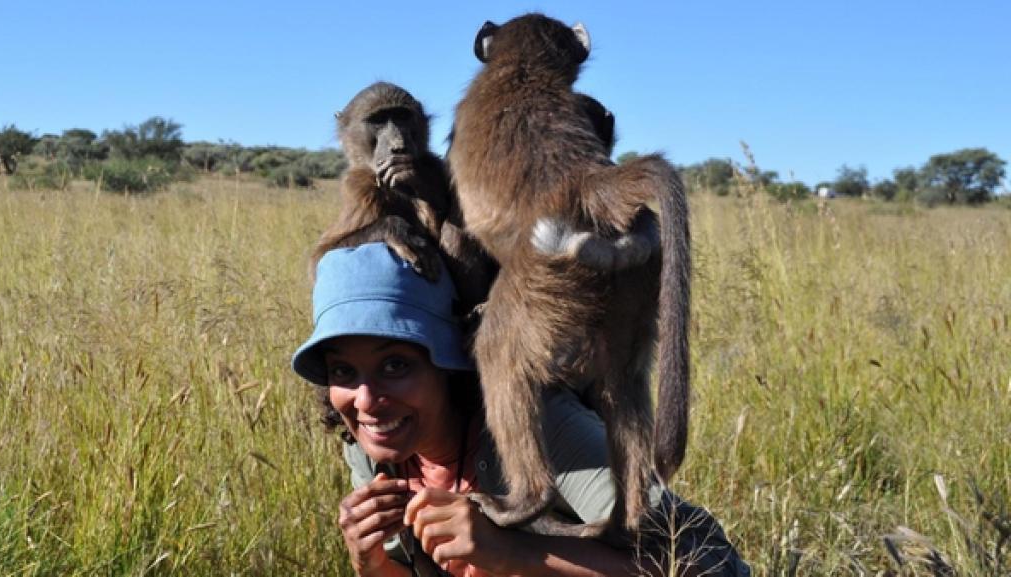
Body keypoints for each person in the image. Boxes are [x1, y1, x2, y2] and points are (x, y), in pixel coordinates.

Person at [293, 242, 749, 576]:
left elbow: (707, 564)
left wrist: (511, 553)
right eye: (343, 372)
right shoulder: (372, 449)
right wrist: (369, 562)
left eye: (396, 365)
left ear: (449, 365)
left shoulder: (541, 430)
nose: (366, 400)